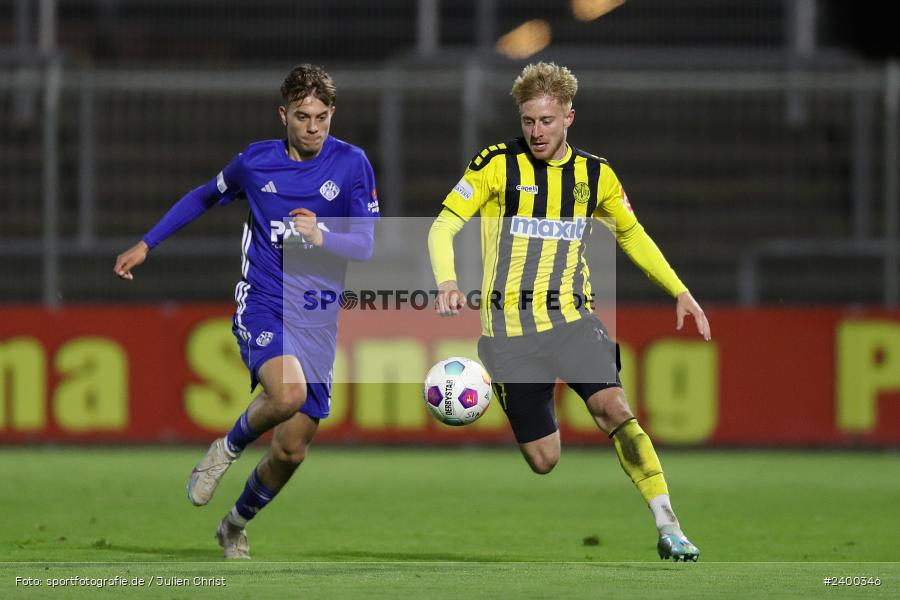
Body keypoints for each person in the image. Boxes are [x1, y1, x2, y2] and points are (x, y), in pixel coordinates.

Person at [427, 62, 710, 561]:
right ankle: (519, 393)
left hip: (574, 323)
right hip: (510, 337)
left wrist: (678, 290)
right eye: (529, 121)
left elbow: (630, 232)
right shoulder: (495, 164)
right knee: (544, 459)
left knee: (614, 410)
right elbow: (442, 226)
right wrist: (447, 281)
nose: (537, 132)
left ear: (568, 118)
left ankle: (670, 526)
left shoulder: (596, 175)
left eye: (547, 121)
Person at [114, 64, 379, 559]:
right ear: (283, 115)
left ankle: (234, 524)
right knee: (287, 394)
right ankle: (226, 449)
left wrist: (324, 236)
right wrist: (148, 243)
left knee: (290, 450)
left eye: (322, 116)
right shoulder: (255, 164)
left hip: (316, 315)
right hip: (263, 303)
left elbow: (366, 245)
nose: (314, 127)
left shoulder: (352, 164)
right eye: (302, 117)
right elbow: (203, 196)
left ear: (332, 114)